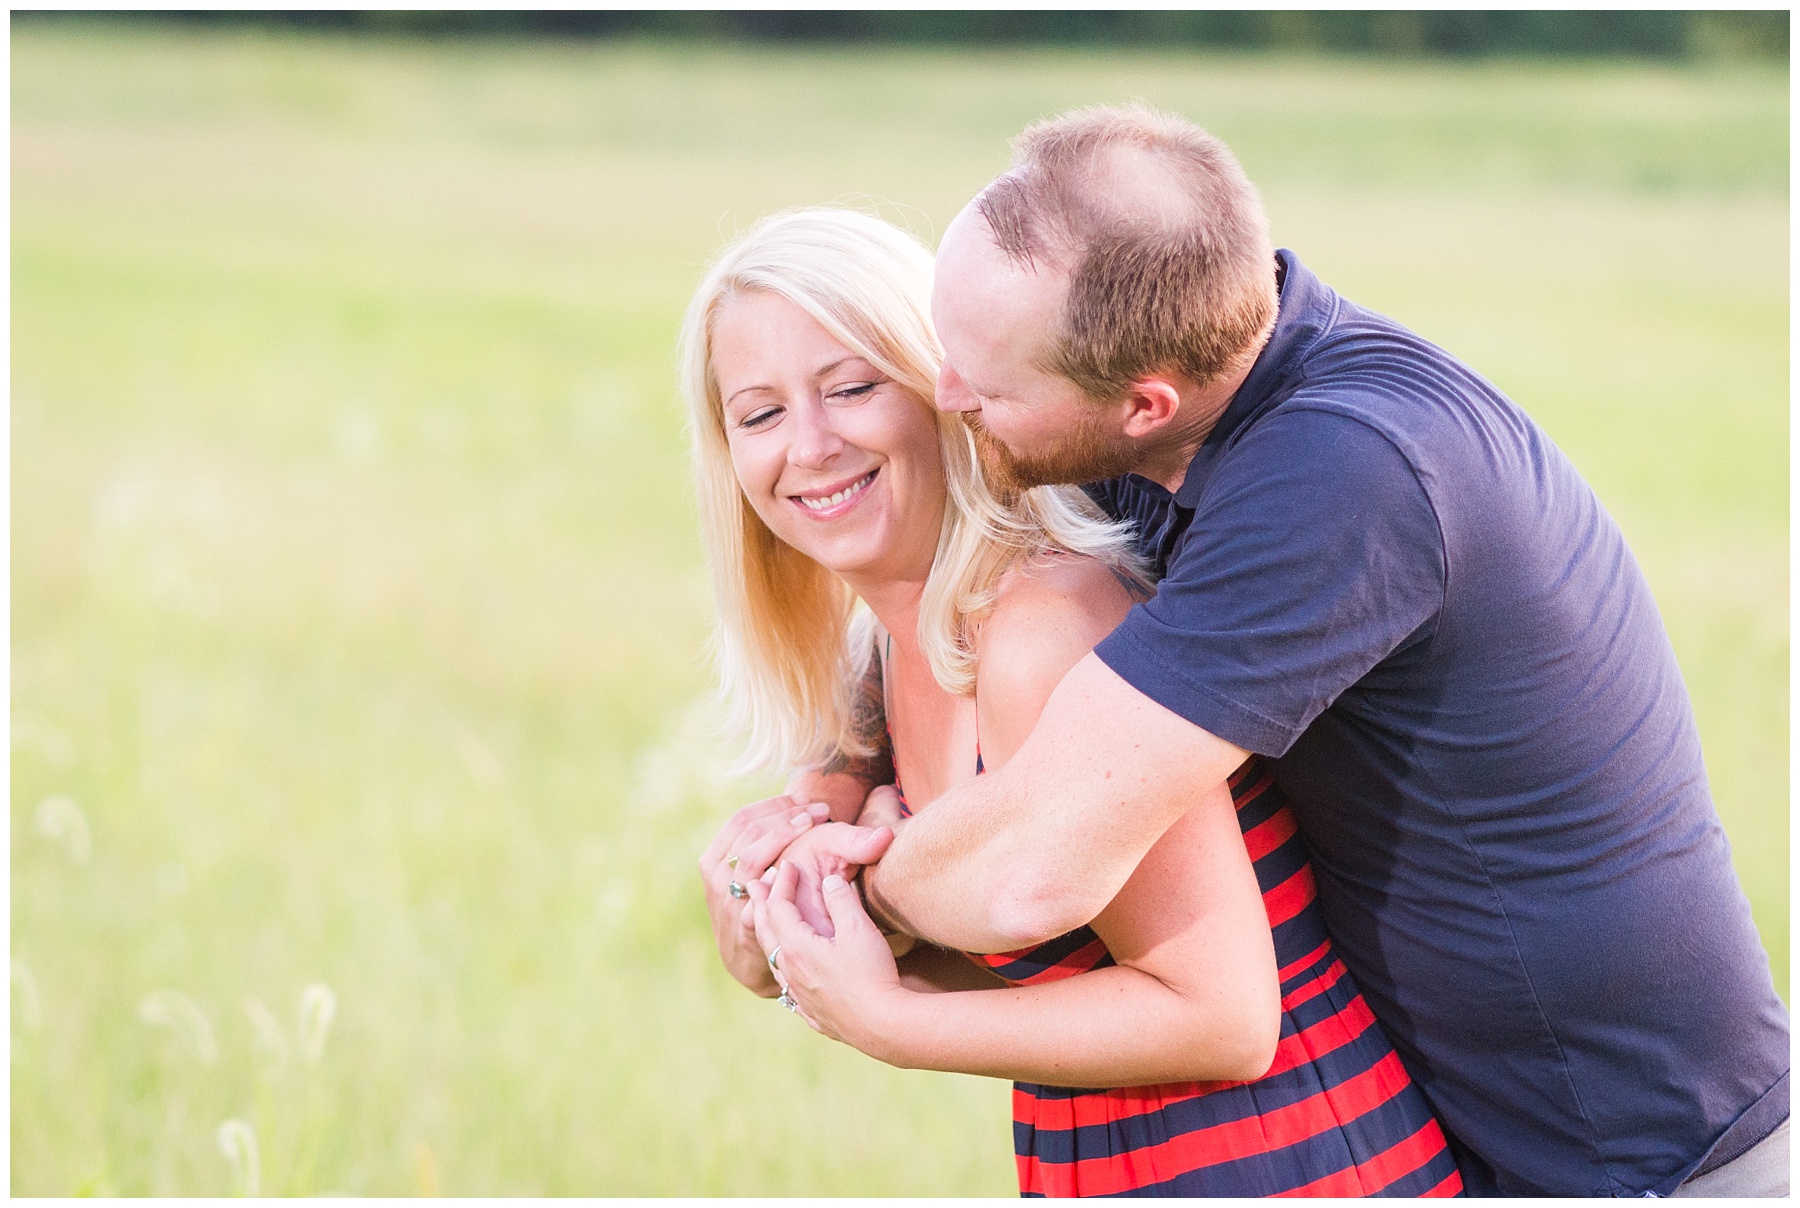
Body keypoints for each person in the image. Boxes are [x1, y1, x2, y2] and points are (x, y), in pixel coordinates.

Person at [768, 105, 1790, 1197]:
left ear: (1141, 400)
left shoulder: (1346, 477)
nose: (948, 395)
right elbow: (966, 582)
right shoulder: (1172, 409)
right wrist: (832, 787)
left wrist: (846, 899)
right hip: (1470, 1134)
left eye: (986, 383)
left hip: (1639, 1155)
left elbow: (1029, 866)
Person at [685, 207, 1465, 1196]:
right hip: (1108, 1166)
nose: (810, 444)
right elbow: (1027, 974)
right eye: (759, 414)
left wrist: (890, 1020)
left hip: (1291, 1163)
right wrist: (770, 920)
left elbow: (1223, 1012)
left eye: (851, 386)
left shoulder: (1042, 625)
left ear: (944, 387)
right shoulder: (882, 648)